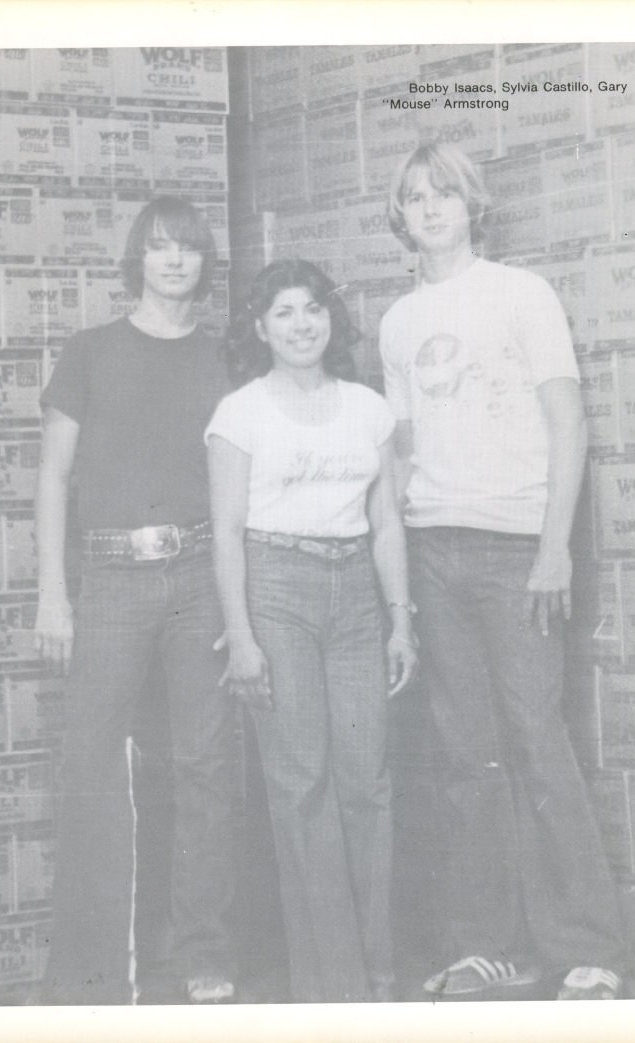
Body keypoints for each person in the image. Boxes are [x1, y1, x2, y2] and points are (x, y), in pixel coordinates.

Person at [380, 143, 625, 1001]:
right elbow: (402, 451)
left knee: (536, 739)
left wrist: (555, 546)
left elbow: (569, 422)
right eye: (416, 197)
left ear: (472, 206)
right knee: (465, 755)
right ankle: (487, 945)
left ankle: (588, 947)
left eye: (444, 194)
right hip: (433, 547)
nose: (431, 208)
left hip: (517, 544)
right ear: (401, 216)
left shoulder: (522, 294)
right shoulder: (399, 321)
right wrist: (397, 576)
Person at [35, 196, 237, 1005]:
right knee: (91, 762)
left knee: (205, 763)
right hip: (111, 575)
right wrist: (54, 593)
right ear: (137, 260)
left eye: (187, 247)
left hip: (200, 576)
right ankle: (87, 968)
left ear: (204, 261)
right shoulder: (90, 350)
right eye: (158, 248)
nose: (174, 261)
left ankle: (203, 953)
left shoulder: (225, 356)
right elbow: (53, 477)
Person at [206, 259, 418, 1002]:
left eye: (314, 309)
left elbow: (386, 524)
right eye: (284, 312)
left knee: (368, 781)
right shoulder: (240, 413)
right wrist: (241, 635)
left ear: (333, 318)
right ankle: (334, 986)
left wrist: (401, 621)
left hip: (356, 592)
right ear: (260, 329)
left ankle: (378, 973)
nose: (302, 324)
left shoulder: (367, 408)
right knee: (301, 785)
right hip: (277, 587)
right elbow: (227, 532)